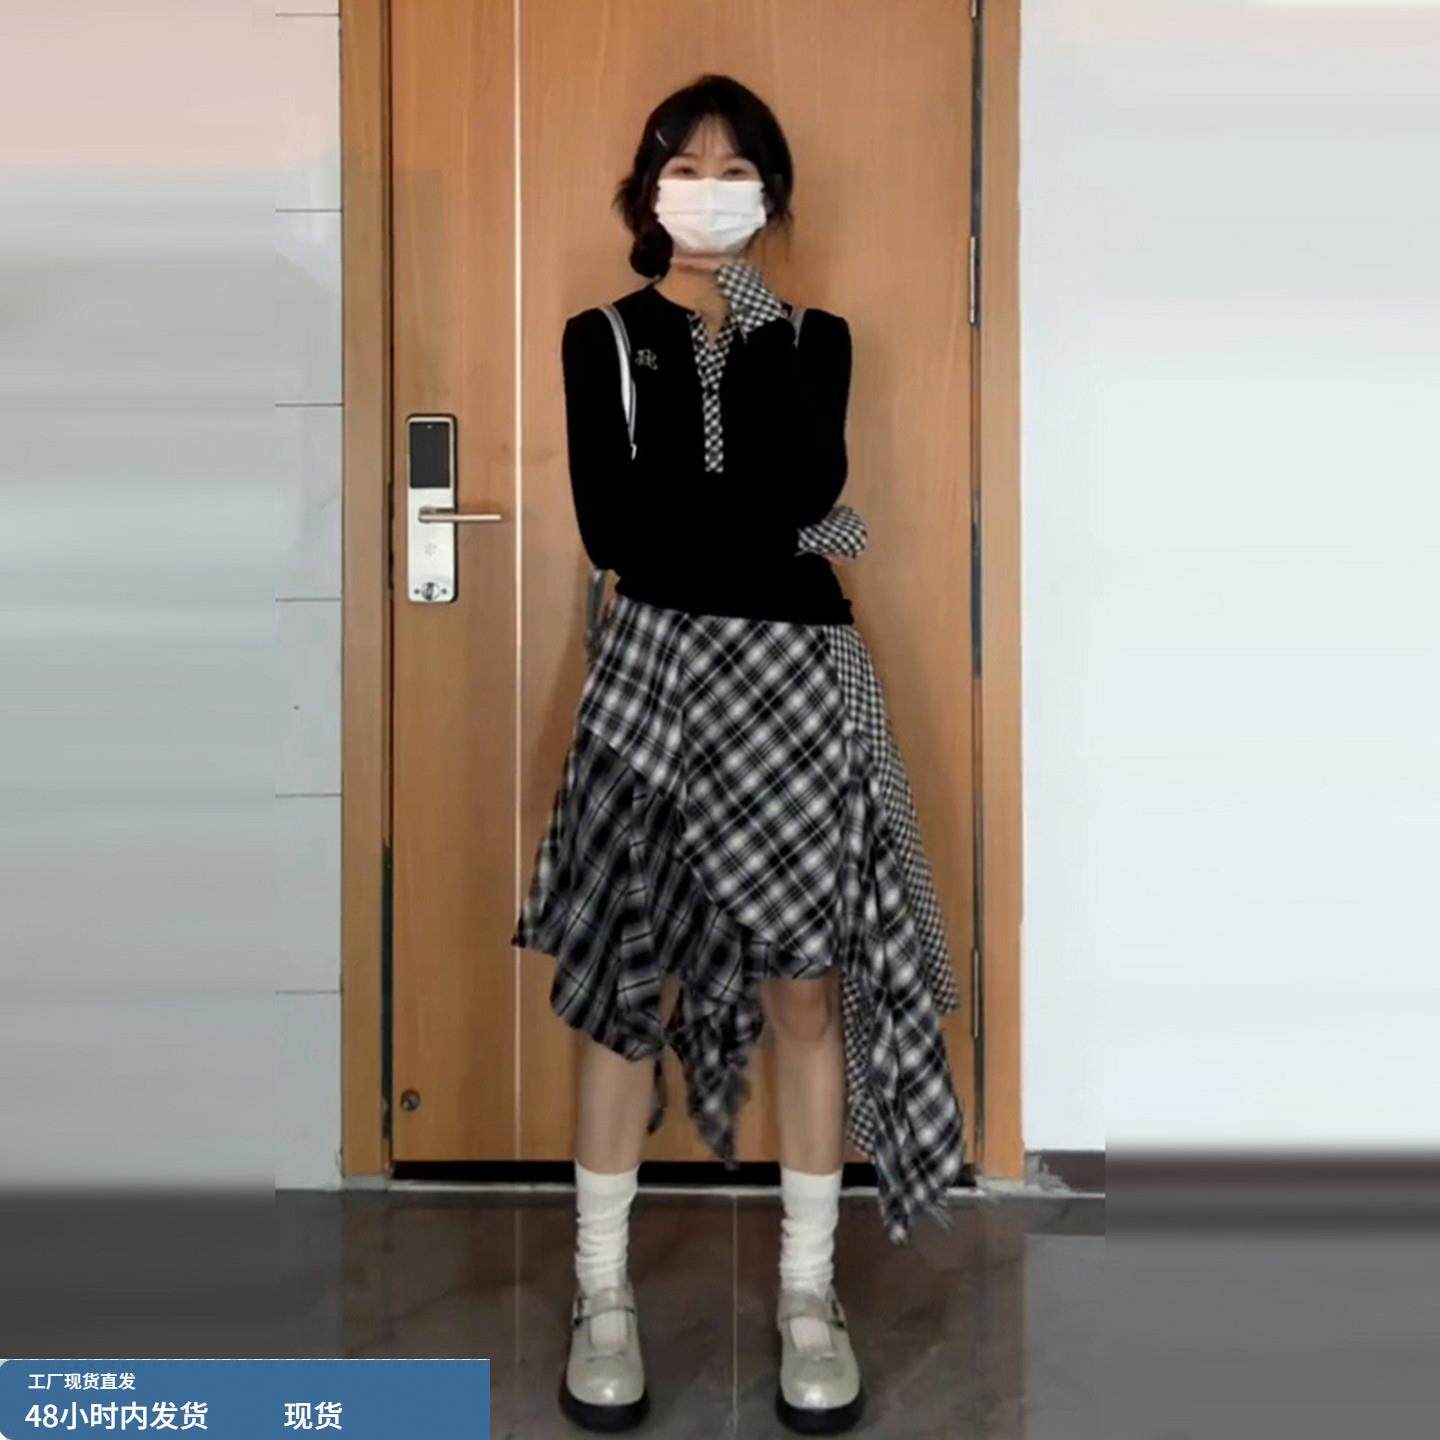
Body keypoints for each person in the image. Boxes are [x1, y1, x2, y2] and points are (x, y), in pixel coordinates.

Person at [510, 73, 965, 1435]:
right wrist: (764, 534)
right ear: (647, 189)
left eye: (734, 170)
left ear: (770, 194)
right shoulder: (600, 338)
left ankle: (809, 1298)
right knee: (627, 982)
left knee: (804, 990)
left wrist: (753, 340)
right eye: (684, 167)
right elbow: (619, 532)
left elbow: (801, 489)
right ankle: (601, 1293)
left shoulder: (815, 338)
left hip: (795, 681)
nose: (708, 190)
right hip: (652, 677)